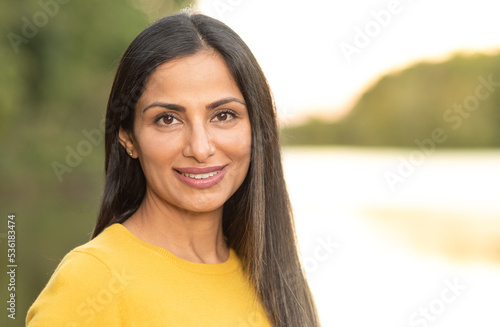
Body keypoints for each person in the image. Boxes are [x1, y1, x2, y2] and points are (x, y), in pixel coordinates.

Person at [26, 11, 320, 327]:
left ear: (256, 127)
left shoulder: (273, 280)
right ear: (128, 138)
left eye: (223, 115)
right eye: (168, 119)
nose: (200, 147)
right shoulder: (92, 281)